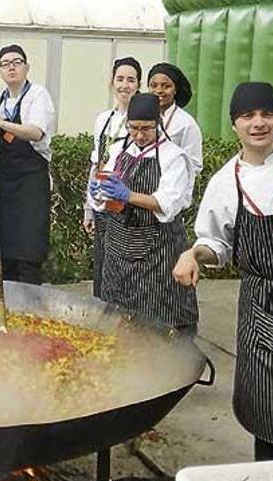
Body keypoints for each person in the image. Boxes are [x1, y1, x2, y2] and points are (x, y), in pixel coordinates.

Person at [173, 82, 273, 460]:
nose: (258, 123)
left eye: (267, 114)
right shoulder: (226, 182)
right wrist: (194, 254)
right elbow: (216, 244)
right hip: (261, 303)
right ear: (235, 125)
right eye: (248, 116)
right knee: (266, 410)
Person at [92, 93, 197, 334]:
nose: (139, 135)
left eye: (146, 129)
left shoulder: (173, 157)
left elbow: (167, 203)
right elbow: (105, 191)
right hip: (118, 249)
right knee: (119, 321)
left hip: (157, 251)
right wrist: (98, 192)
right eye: (133, 128)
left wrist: (128, 196)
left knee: (156, 323)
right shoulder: (119, 149)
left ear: (158, 123)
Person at [0, 44, 57, 285]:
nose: (11, 67)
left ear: (27, 67)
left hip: (31, 182)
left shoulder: (37, 95)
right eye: (5, 63)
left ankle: (31, 310)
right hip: (6, 181)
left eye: (17, 62)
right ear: (0, 71)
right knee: (7, 251)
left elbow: (35, 132)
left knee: (28, 252)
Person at [84, 56, 141, 297]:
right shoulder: (103, 119)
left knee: (121, 269)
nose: (124, 85)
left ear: (139, 85)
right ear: (111, 82)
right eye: (120, 79)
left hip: (125, 203)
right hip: (102, 202)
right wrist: (88, 206)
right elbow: (96, 163)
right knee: (101, 264)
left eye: (131, 80)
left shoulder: (142, 121)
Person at [147, 63, 203, 174]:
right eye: (154, 85)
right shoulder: (141, 117)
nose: (159, 90)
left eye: (166, 86)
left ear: (175, 89)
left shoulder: (186, 123)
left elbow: (196, 165)